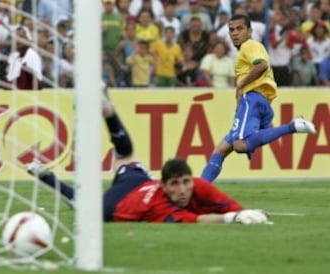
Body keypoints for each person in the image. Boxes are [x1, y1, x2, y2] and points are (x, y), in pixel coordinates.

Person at [26, 84, 271, 225]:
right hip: (119, 204)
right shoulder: (159, 208)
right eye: (175, 185)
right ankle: (47, 177)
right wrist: (230, 219)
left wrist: (244, 212)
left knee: (126, 154)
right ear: (164, 187)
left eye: (185, 182)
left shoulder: (197, 186)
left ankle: (108, 111)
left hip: (139, 181)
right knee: (84, 207)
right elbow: (196, 221)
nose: (183, 189)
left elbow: (227, 205)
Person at [200, 14, 316, 183]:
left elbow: (262, 65)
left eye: (240, 29)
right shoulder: (254, 48)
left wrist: (241, 85)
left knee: (239, 145)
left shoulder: (249, 46)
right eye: (231, 29)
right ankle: (201, 188)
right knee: (221, 149)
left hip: (252, 99)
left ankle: (293, 126)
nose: (234, 33)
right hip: (262, 102)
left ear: (250, 31)